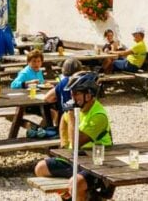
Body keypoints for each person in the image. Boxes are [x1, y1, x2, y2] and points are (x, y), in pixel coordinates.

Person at [34, 72, 114, 201]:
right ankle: (73, 197)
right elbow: (63, 121)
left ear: (88, 95)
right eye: (71, 93)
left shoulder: (99, 116)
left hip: (96, 162)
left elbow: (77, 141)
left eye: (76, 93)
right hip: (76, 159)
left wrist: (71, 114)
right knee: (40, 168)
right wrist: (64, 144)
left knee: (76, 183)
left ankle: (86, 195)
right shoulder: (79, 108)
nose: (71, 96)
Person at [45, 58, 83, 125]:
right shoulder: (83, 80)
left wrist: (58, 97)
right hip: (83, 117)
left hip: (66, 118)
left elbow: (47, 98)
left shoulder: (64, 82)